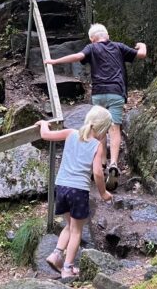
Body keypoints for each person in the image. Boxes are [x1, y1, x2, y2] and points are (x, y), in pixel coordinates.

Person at [45, 24, 146, 190]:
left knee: (99, 129)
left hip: (99, 92)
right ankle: (113, 163)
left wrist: (54, 61)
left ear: (92, 38)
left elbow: (78, 56)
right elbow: (141, 54)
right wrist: (142, 45)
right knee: (114, 128)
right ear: (107, 35)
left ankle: (100, 163)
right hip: (116, 92)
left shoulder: (91, 47)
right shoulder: (119, 47)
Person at [38, 107, 113, 281]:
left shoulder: (71, 133)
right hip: (78, 190)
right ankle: (67, 268)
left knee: (69, 226)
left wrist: (43, 124)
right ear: (102, 129)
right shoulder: (97, 146)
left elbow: (46, 136)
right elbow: (98, 173)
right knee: (77, 231)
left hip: (61, 186)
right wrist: (103, 193)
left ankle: (56, 254)